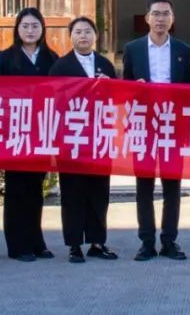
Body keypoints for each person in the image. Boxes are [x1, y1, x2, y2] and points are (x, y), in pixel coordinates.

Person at [122, 0, 190, 262]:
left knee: (172, 186)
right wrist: (135, 89)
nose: (161, 19)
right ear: (147, 18)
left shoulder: (183, 50)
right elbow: (125, 87)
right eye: (156, 14)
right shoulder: (133, 49)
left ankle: (169, 241)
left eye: (166, 14)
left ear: (172, 19)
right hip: (144, 125)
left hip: (173, 126)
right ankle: (147, 242)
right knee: (144, 186)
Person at [49, 16, 119, 264]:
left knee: (99, 191)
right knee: (72, 192)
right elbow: (53, 100)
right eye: (78, 32)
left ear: (95, 36)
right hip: (72, 138)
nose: (83, 36)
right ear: (71, 36)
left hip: (100, 136)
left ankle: (97, 242)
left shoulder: (105, 64)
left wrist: (110, 87)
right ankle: (74, 244)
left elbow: (117, 99)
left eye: (88, 31)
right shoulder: (60, 66)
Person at [0, 7, 57, 262]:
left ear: (42, 29)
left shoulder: (51, 58)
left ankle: (36, 240)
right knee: (16, 188)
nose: (30, 31)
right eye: (25, 26)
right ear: (17, 29)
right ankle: (18, 245)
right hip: (14, 132)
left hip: (41, 131)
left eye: (35, 26)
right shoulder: (5, 58)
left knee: (35, 189)